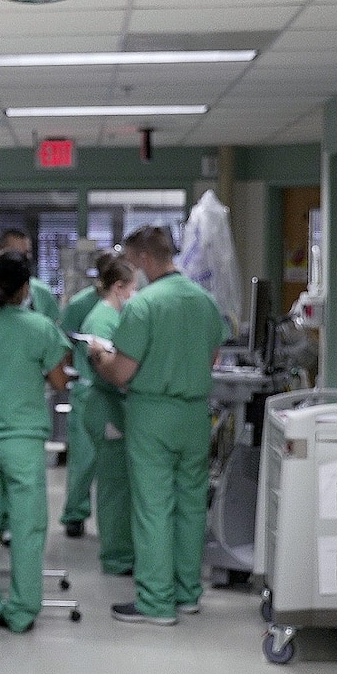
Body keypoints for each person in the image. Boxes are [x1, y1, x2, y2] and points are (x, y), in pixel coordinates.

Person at [89, 226, 227, 626]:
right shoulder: (205, 302)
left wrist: (100, 356)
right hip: (195, 414)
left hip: (153, 414)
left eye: (134, 263)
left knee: (153, 507)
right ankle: (187, 594)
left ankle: (156, 602)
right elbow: (212, 357)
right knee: (190, 505)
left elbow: (122, 373)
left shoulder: (144, 305)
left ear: (145, 260)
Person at [0, 251, 71, 632]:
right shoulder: (39, 328)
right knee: (26, 527)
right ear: (26, 288)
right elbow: (59, 383)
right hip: (23, 441)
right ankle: (23, 610)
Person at [75, 255, 137, 576]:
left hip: (110, 406)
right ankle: (116, 557)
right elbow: (112, 368)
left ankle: (123, 550)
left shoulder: (110, 316)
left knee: (119, 482)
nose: (135, 295)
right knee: (114, 486)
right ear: (118, 287)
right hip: (106, 407)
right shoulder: (102, 320)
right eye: (133, 288)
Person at [57, 251, 116, 539]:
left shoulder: (122, 305)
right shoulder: (82, 305)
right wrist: (72, 373)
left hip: (112, 387)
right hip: (88, 386)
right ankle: (75, 514)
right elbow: (65, 344)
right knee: (84, 458)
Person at [0, 229, 58, 320]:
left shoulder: (42, 292)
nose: (22, 258)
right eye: (15, 253)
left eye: (26, 253)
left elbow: (54, 326)